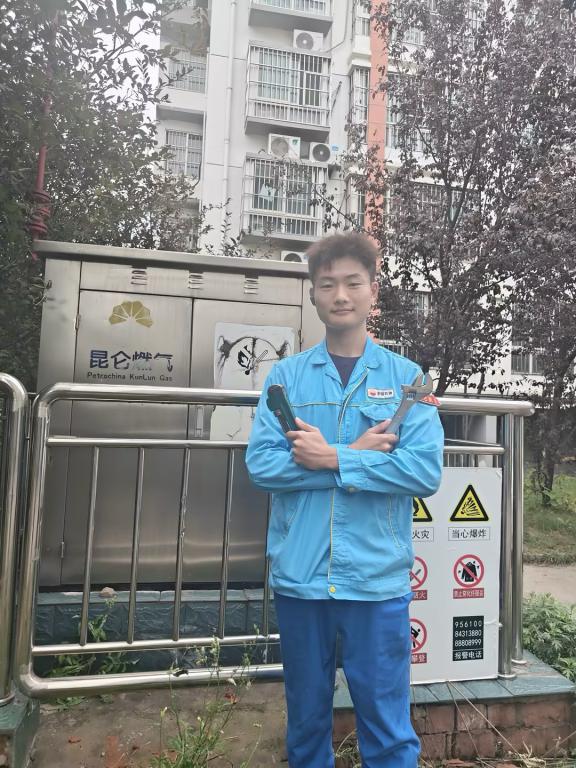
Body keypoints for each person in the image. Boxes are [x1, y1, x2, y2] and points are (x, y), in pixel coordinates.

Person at [245, 232, 444, 768]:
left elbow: (423, 471)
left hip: (376, 579)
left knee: (387, 725)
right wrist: (357, 455)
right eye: (327, 284)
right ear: (312, 293)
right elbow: (262, 465)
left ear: (373, 291)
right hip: (301, 576)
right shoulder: (286, 377)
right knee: (306, 720)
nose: (340, 295)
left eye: (353, 283)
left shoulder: (408, 381)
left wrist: (333, 458)